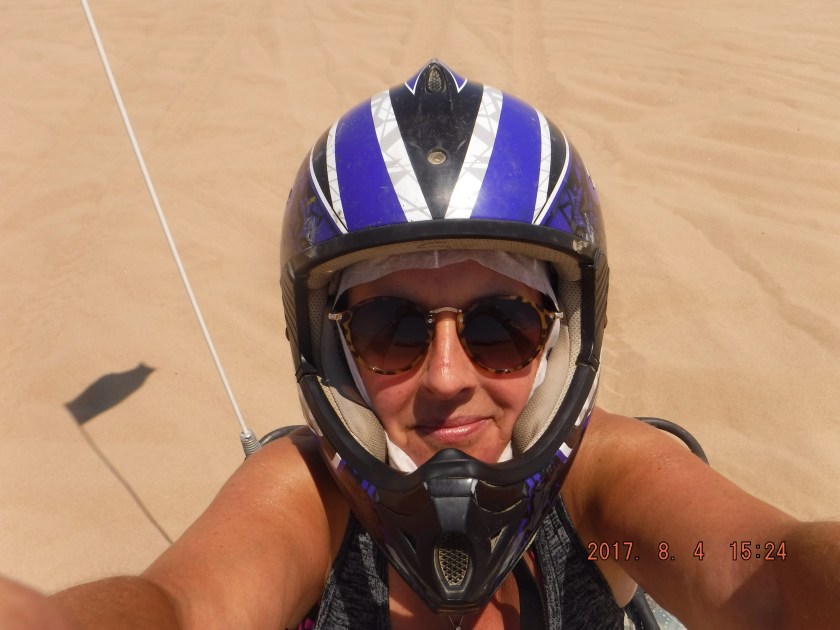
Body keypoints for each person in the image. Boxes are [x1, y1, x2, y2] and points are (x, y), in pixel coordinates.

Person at [4, 59, 838, 629]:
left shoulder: (602, 490)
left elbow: (767, 574)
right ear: (332, 351)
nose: (446, 377)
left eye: (503, 327)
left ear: (561, 339)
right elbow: (184, 607)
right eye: (389, 329)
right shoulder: (310, 499)